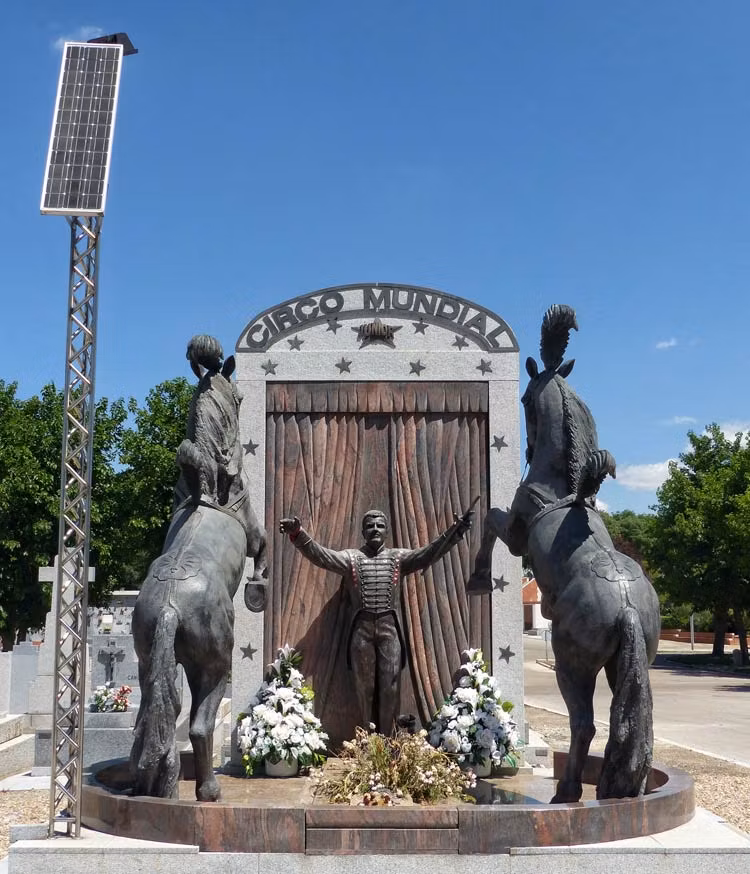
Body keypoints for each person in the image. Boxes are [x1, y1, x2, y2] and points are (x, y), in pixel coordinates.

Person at [279, 508, 472, 734]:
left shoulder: (398, 558)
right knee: (365, 688)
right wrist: (298, 534)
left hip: (390, 630)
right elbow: (321, 555)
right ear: (363, 531)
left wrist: (455, 532)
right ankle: (368, 741)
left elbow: (428, 553)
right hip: (361, 631)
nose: (375, 530)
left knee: (391, 687)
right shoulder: (351, 558)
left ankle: (388, 740)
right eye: (370, 526)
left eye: (380, 525)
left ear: (387, 530)